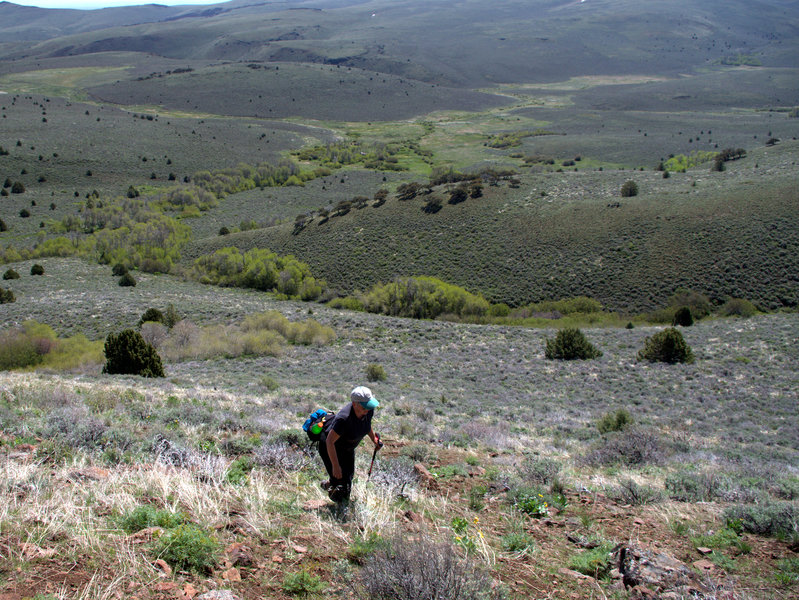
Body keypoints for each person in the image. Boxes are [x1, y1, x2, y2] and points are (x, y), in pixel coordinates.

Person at [318, 385, 382, 502]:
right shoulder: (344, 419)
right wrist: (335, 466)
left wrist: (375, 440)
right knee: (340, 480)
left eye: (369, 406)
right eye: (364, 407)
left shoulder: (368, 411)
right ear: (354, 404)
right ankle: (339, 505)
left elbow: (366, 426)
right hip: (330, 447)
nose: (367, 410)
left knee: (348, 478)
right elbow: (330, 441)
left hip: (347, 448)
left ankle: (330, 485)